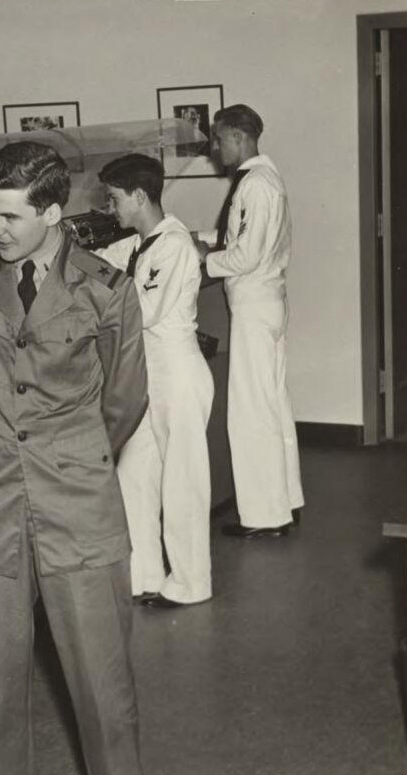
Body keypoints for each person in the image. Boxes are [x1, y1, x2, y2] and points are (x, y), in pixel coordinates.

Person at [0, 141, 170, 775]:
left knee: (102, 682)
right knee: (2, 676)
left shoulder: (107, 288)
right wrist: (7, 452)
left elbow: (125, 398)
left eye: (9, 215)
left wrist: (68, 457)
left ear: (52, 212)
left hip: (77, 502)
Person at [96, 153, 214, 608]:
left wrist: (102, 303)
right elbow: (103, 262)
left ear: (139, 196)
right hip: (149, 378)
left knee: (182, 483)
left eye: (115, 199)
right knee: (133, 476)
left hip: (178, 376)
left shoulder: (174, 246)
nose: (111, 208)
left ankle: (191, 582)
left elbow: (145, 312)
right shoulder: (140, 243)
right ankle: (143, 575)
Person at [194, 104, 304, 538]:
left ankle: (262, 516)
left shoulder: (255, 185)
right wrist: (201, 239)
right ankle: (286, 500)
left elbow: (245, 255)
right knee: (274, 405)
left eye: (219, 140)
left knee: (251, 412)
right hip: (269, 303)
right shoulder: (262, 179)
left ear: (238, 137)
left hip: (255, 308)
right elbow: (240, 238)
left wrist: (204, 257)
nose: (215, 149)